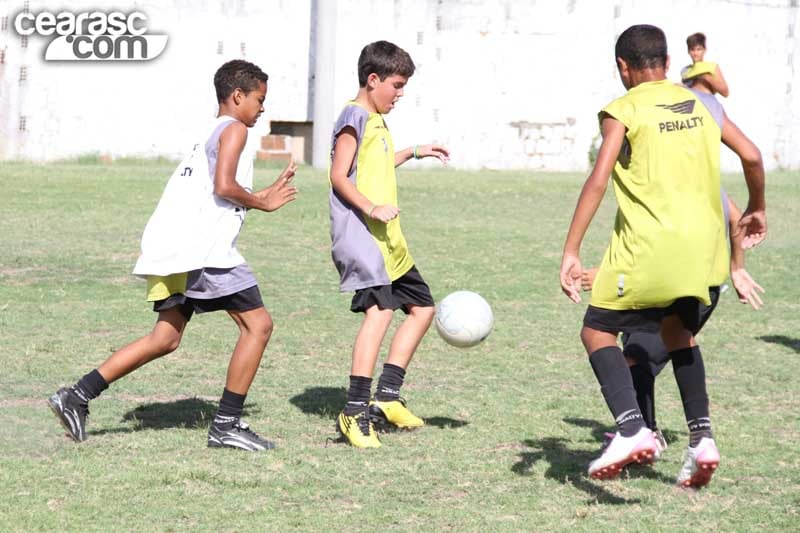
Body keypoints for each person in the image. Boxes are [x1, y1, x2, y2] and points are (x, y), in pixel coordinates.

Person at [48, 60, 298, 452]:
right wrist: (262, 202)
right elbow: (224, 186)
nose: (263, 108)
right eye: (259, 99)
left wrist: (258, 197)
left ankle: (76, 396)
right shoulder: (234, 130)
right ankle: (226, 425)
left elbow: (215, 193)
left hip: (173, 247)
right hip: (203, 252)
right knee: (258, 326)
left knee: (164, 339)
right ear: (237, 96)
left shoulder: (208, 133)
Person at [559, 25, 766, 488]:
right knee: (678, 332)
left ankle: (633, 429)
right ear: (669, 63)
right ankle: (702, 441)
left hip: (649, 249)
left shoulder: (623, 108)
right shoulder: (702, 103)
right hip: (705, 252)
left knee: (596, 332)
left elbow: (598, 178)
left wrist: (571, 250)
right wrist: (757, 208)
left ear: (623, 67)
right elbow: (752, 156)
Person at [328, 41, 449, 448]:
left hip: (389, 241)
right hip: (364, 238)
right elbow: (339, 176)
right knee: (379, 313)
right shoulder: (354, 117)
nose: (400, 94)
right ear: (373, 79)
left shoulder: (376, 118)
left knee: (422, 308)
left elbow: (375, 163)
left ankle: (387, 397)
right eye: (396, 86)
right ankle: (354, 411)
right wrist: (371, 207)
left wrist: (415, 151)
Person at [582, 193, 765, 456]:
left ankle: (647, 435)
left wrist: (604, 274)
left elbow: (658, 243)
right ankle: (658, 432)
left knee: (636, 355)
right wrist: (736, 267)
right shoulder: (699, 174)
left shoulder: (664, 182)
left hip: (676, 284)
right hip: (681, 285)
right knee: (642, 348)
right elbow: (736, 218)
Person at [681, 32, 729, 97]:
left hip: (707, 103)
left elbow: (725, 93)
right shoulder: (685, 70)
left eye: (699, 49)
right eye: (692, 50)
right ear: (688, 51)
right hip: (691, 104)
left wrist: (705, 76)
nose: (695, 53)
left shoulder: (711, 67)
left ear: (705, 50)